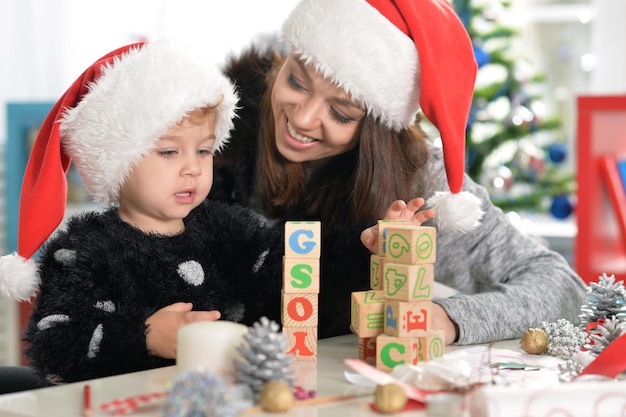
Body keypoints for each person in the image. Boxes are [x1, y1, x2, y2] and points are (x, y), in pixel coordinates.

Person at [212, 0, 587, 345]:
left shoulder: (418, 184)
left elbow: (562, 287)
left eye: (341, 113)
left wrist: (447, 319)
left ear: (378, 127)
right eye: (296, 81)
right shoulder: (212, 127)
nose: (303, 117)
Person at [0, 39, 286, 383]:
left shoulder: (228, 228)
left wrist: (357, 248)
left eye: (204, 151)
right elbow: (55, 345)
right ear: (117, 162)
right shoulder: (83, 252)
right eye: (169, 152)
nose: (193, 168)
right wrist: (144, 336)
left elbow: (291, 263)